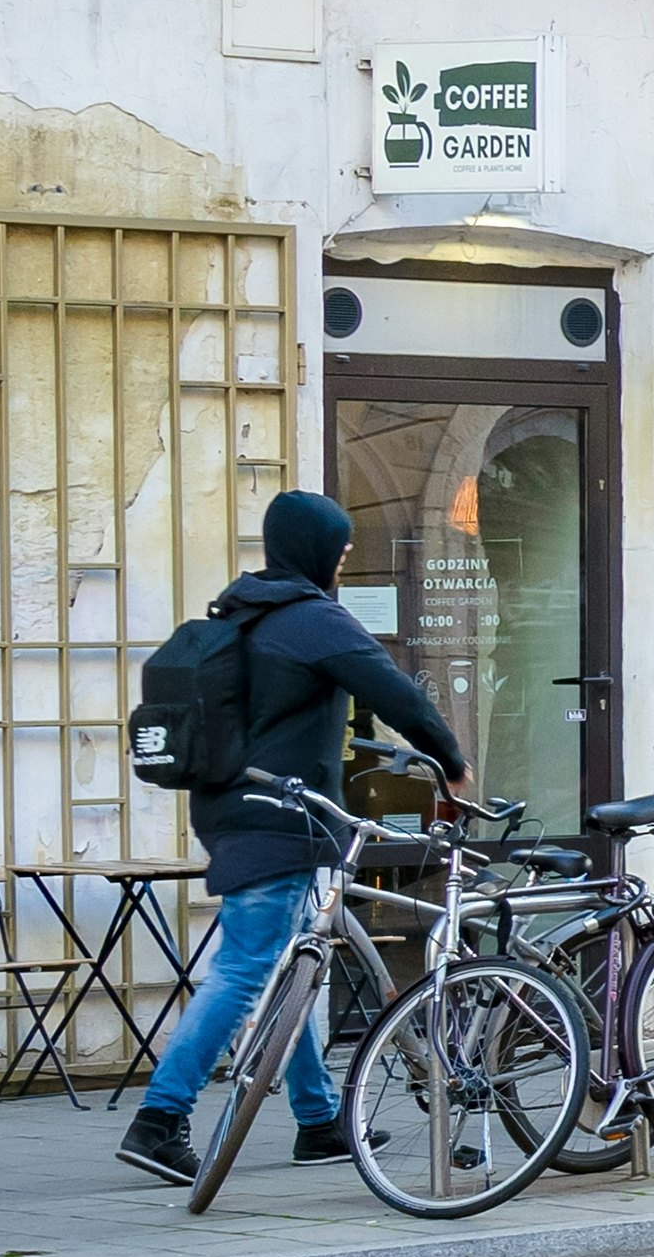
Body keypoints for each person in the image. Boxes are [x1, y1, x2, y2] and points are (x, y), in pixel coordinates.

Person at [122, 487, 466, 1184]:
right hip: (281, 819)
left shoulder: (245, 613)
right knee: (247, 968)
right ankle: (160, 1120)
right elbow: (393, 692)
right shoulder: (312, 620)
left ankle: (317, 1121)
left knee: (294, 962)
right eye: (340, 552)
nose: (343, 564)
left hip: (233, 809)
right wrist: (450, 762)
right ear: (317, 553)